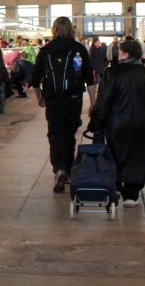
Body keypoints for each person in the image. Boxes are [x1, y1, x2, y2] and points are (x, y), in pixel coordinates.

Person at [91, 39, 145, 207]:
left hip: (116, 124)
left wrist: (97, 121)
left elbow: (103, 101)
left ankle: (116, 187)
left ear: (126, 54)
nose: (118, 54)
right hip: (142, 123)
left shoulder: (112, 73)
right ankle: (131, 195)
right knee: (138, 157)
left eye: (120, 51)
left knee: (115, 154)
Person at [30, 17, 96, 193]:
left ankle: (59, 168)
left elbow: (34, 80)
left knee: (55, 134)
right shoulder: (79, 49)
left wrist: (39, 97)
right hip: (74, 99)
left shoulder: (45, 50)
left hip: (53, 100)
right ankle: (68, 171)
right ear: (71, 29)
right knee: (70, 134)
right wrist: (93, 102)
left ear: (54, 29)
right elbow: (89, 78)